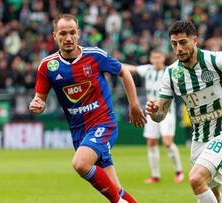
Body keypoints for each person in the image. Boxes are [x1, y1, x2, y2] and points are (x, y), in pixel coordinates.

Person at [145, 21, 222, 203]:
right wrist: (154, 112)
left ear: (195, 40)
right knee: (213, 192)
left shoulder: (215, 61)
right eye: (174, 44)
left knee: (196, 179)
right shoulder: (171, 74)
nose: (178, 48)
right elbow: (160, 116)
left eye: (183, 42)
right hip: (200, 139)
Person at [29, 14, 146, 203]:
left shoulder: (95, 55)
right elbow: (39, 98)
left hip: (103, 123)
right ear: (54, 35)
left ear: (78, 33)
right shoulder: (47, 66)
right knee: (115, 188)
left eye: (72, 33)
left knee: (80, 163)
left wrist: (134, 104)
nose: (68, 38)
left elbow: (123, 71)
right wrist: (37, 104)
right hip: (79, 132)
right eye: (63, 33)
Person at [125, 50, 184, 184]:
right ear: (151, 59)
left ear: (163, 58)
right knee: (151, 142)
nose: (156, 59)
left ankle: (179, 171)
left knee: (167, 142)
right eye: (154, 57)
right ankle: (155, 175)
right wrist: (111, 63)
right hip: (150, 110)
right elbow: (130, 68)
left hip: (166, 110)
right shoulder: (147, 70)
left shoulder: (170, 71)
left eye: (159, 57)